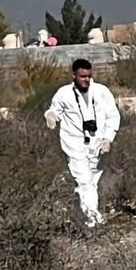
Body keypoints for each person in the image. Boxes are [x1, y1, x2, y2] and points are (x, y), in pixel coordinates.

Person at [45, 59, 121, 228]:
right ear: (74, 76)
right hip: (74, 143)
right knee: (84, 181)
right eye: (82, 76)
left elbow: (113, 116)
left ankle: (81, 218)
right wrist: (50, 115)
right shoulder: (64, 93)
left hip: (97, 143)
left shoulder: (101, 92)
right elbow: (54, 109)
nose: (86, 79)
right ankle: (93, 221)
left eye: (88, 76)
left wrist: (108, 138)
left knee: (92, 182)